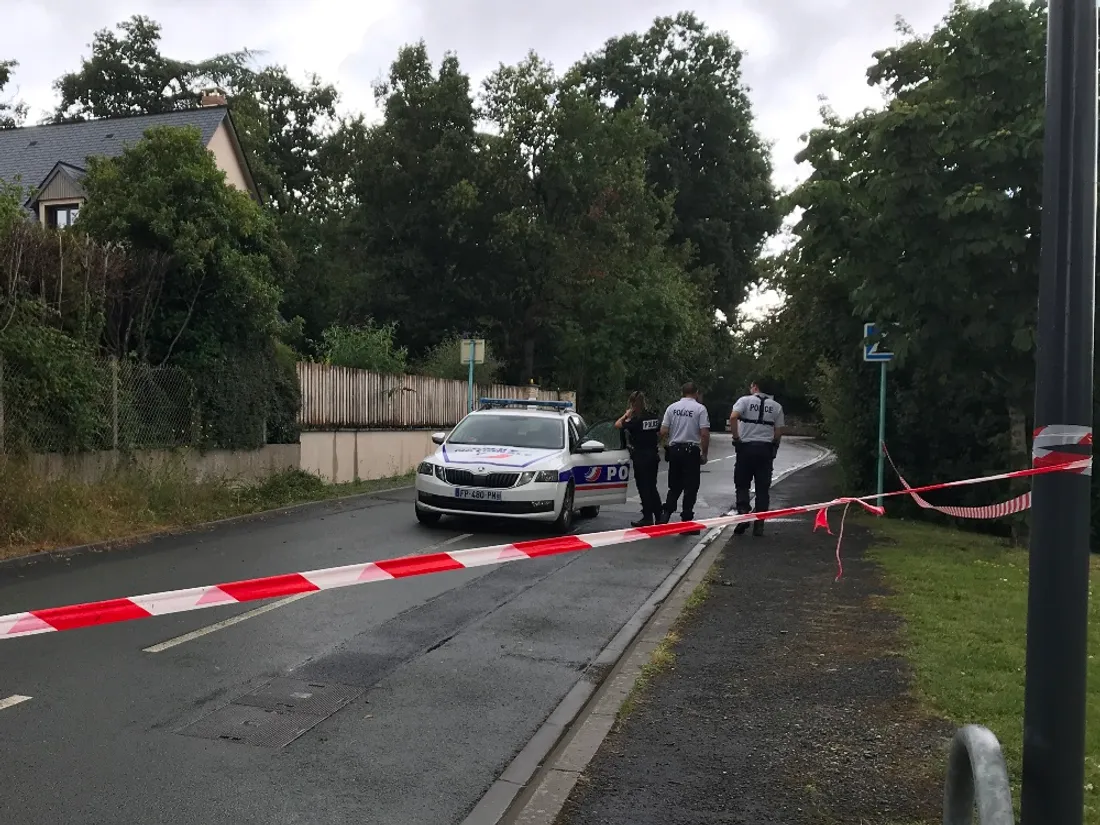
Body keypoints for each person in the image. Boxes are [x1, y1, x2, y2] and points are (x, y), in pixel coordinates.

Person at [729, 378, 785, 536]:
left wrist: (736, 438)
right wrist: (774, 446)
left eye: (751, 386)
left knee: (742, 484)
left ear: (755, 387)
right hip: (765, 449)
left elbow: (733, 417)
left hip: (746, 448)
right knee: (762, 488)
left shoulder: (744, 401)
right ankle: (759, 523)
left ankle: (743, 514)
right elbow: (779, 430)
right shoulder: (776, 406)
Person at [659, 382, 710, 533]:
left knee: (674, 485)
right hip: (691, 451)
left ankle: (665, 514)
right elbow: (704, 433)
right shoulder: (700, 409)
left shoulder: (672, 408)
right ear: (696, 393)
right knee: (691, 487)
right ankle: (686, 522)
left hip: (675, 450)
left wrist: (666, 446)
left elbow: (663, 430)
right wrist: (704, 453)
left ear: (682, 392)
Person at [615, 391, 663, 527]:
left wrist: (626, 414)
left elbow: (617, 424)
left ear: (632, 404)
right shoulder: (653, 417)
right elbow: (661, 431)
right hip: (653, 455)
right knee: (652, 486)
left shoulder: (635, 420)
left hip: (641, 456)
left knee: (643, 487)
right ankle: (659, 516)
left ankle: (648, 517)